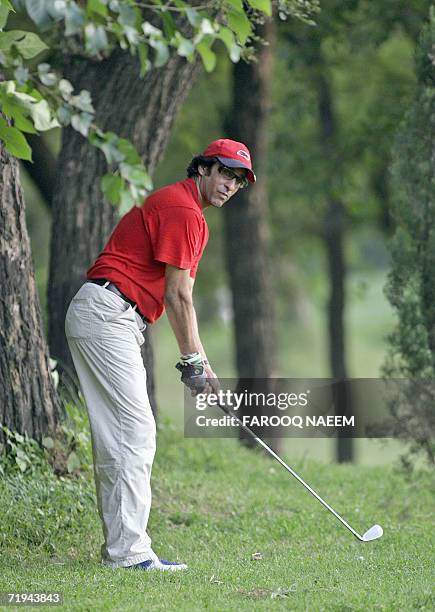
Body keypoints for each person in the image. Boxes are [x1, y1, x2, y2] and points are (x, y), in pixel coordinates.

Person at [65, 138, 256, 571]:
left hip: (112, 316)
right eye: (225, 172)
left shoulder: (190, 213)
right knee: (134, 431)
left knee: (124, 435)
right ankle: (129, 554)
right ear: (203, 168)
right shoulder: (183, 209)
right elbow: (179, 297)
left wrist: (202, 364)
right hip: (108, 314)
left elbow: (178, 297)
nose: (230, 184)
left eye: (239, 180)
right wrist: (192, 364)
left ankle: (123, 550)